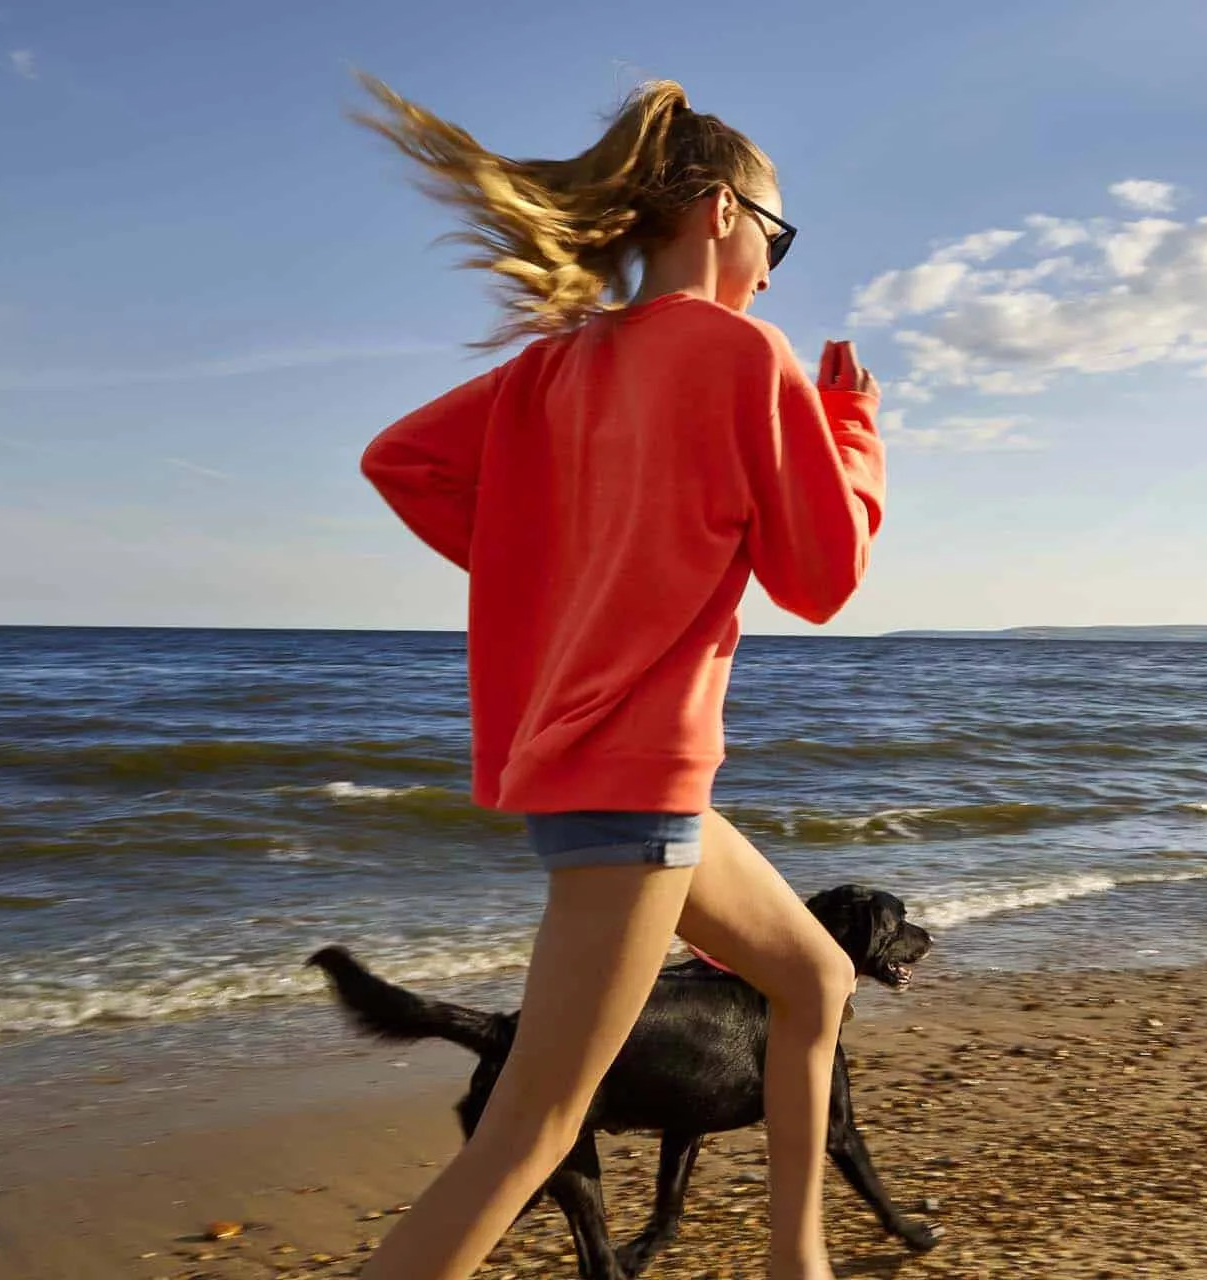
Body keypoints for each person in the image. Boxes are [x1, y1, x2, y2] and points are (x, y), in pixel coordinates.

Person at [351, 73, 886, 1280]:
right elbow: (823, 571)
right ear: (718, 210)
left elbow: (403, 461)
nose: (772, 268)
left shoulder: (556, 368)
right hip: (635, 781)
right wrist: (851, 427)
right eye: (776, 236)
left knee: (817, 974)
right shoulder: (748, 352)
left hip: (630, 779)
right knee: (531, 1129)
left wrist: (566, 559)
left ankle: (798, 1263)